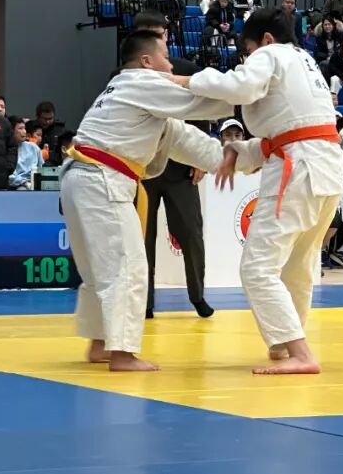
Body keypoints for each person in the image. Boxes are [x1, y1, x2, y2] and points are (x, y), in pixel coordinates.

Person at [177, 8, 343, 375]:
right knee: (298, 264)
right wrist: (238, 153)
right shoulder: (306, 63)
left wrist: (188, 80)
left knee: (257, 268)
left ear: (266, 39)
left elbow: (240, 88)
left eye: (248, 51)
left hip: (299, 169)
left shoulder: (272, 54)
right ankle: (287, 342)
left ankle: (300, 352)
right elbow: (289, 132)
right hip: (326, 167)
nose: (247, 59)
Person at [62, 29, 231, 372]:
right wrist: (250, 89)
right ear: (146, 61)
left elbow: (189, 141)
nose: (171, 66)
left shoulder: (129, 94)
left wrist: (245, 158)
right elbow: (207, 102)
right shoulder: (142, 82)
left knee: (100, 269)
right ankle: (122, 353)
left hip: (81, 178)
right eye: (165, 57)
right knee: (127, 266)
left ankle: (100, 343)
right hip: (101, 179)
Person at [143, 57, 214, 321]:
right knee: (141, 238)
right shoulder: (131, 72)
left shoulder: (186, 70)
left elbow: (201, 112)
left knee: (191, 233)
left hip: (181, 168)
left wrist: (200, 159)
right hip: (143, 167)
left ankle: (197, 295)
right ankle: (144, 301)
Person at [9, 116, 44, 189]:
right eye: (20, 128)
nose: (24, 131)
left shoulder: (33, 147)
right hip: (17, 185)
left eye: (24, 128)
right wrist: (24, 182)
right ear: (11, 131)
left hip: (35, 183)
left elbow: (41, 168)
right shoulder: (5, 149)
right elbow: (8, 176)